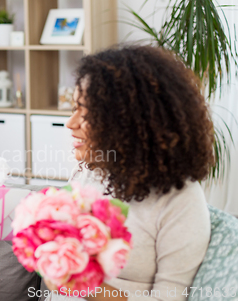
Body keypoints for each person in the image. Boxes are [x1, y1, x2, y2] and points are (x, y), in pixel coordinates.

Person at [49, 45, 213, 301]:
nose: (70, 124)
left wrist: (88, 287)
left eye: (88, 112)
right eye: (74, 108)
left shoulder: (180, 200)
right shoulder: (92, 171)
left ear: (130, 123)